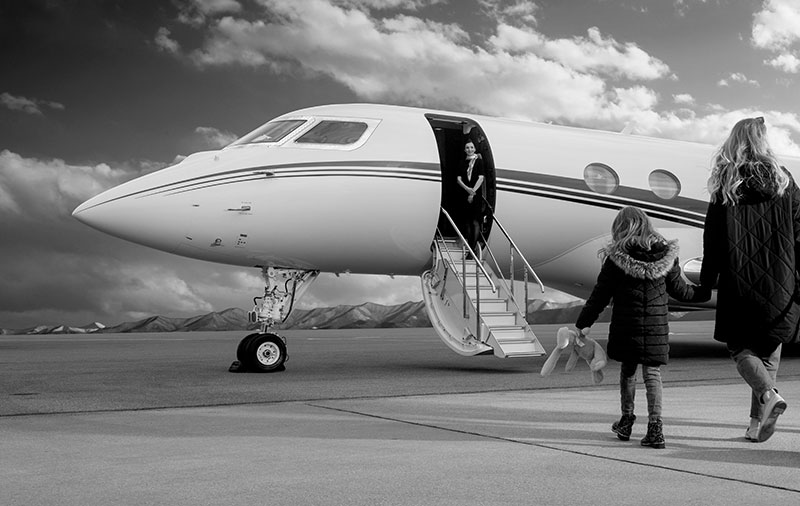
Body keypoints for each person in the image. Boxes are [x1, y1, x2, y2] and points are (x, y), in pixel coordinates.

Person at [699, 116, 799, 443]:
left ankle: (768, 398)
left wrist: (706, 280)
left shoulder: (726, 183)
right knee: (767, 354)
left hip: (739, 284)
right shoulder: (786, 181)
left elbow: (712, 240)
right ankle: (756, 425)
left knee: (740, 348)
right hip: (782, 285)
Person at [575, 206, 705, 449]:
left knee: (628, 371)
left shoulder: (616, 258)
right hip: (656, 327)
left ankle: (626, 421)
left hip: (627, 325)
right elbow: (680, 291)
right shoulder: (666, 255)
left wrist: (583, 323)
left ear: (620, 228)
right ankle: (656, 428)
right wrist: (705, 291)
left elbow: (600, 295)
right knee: (652, 374)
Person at [456, 140, 485, 251]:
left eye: (471, 147)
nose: (469, 149)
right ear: (464, 150)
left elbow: (481, 178)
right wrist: (467, 189)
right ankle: (468, 244)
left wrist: (472, 192)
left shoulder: (479, 162)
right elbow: (458, 179)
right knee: (467, 221)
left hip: (476, 194)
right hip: (465, 193)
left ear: (475, 149)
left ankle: (472, 248)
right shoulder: (462, 162)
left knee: (475, 221)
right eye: (467, 147)